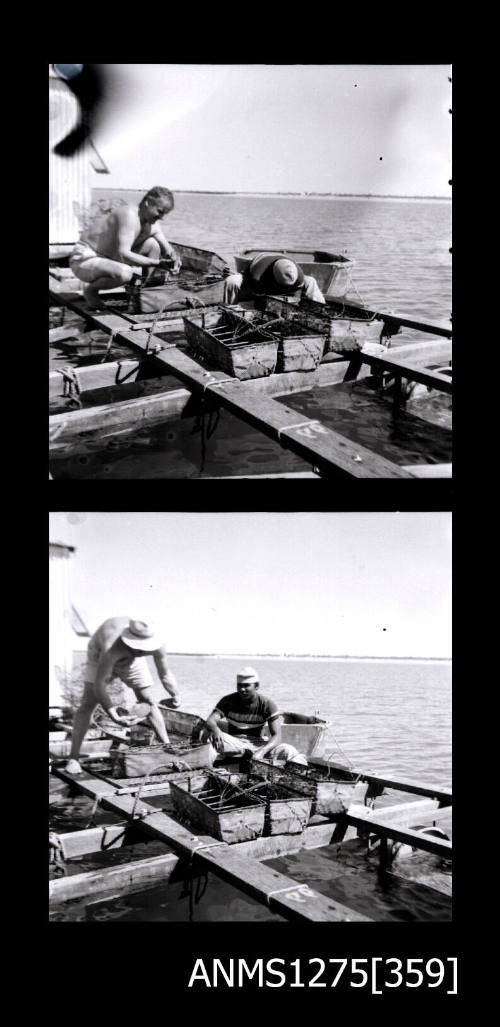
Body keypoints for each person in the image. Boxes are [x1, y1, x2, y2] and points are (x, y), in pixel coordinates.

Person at [65, 617, 181, 774]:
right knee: (88, 704)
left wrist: (175, 695)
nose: (143, 651)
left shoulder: (154, 643)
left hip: (131, 657)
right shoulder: (112, 648)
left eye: (145, 649)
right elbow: (100, 685)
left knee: (148, 700)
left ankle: (168, 749)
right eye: (140, 648)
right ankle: (73, 758)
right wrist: (114, 716)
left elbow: (165, 674)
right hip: (100, 655)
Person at [69, 186, 182, 309]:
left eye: (165, 214)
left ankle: (145, 295)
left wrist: (175, 260)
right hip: (84, 260)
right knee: (125, 273)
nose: (162, 217)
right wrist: (157, 263)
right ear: (147, 203)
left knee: (153, 245)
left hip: (108, 260)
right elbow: (124, 253)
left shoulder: (151, 222)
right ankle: (90, 291)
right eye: (160, 211)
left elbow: (168, 250)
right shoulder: (129, 214)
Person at [203, 667, 306, 764]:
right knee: (210, 736)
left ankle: (301, 778)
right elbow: (210, 721)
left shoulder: (267, 704)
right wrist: (216, 730)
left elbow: (277, 736)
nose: (242, 689)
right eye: (239, 685)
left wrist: (261, 752)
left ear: (256, 686)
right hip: (235, 744)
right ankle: (212, 767)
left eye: (247, 685)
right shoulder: (227, 701)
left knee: (289, 750)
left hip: (258, 745)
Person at [223, 252, 325, 306]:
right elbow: (259, 299)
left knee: (311, 281)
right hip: (254, 282)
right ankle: (231, 309)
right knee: (232, 280)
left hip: (278, 283)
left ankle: (320, 310)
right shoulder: (257, 275)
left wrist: (291, 305)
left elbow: (295, 296)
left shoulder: (298, 275)